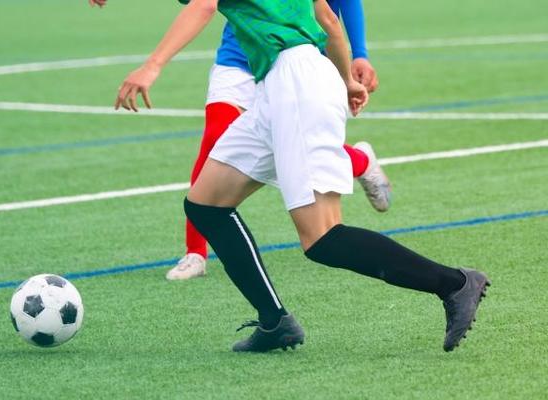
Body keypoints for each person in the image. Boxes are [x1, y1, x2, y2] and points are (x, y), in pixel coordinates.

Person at [112, 0, 490, 353]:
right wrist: (345, 80)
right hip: (282, 84)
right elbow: (328, 20)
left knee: (323, 238)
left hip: (295, 84)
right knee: (205, 205)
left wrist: (153, 65)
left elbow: (205, 4)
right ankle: (275, 322)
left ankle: (454, 284)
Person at [165, 0, 387, 280]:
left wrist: (360, 53)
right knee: (215, 139)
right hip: (238, 58)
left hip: (291, 58)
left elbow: (335, 9)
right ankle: (195, 252)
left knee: (294, 153)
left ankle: (360, 162)